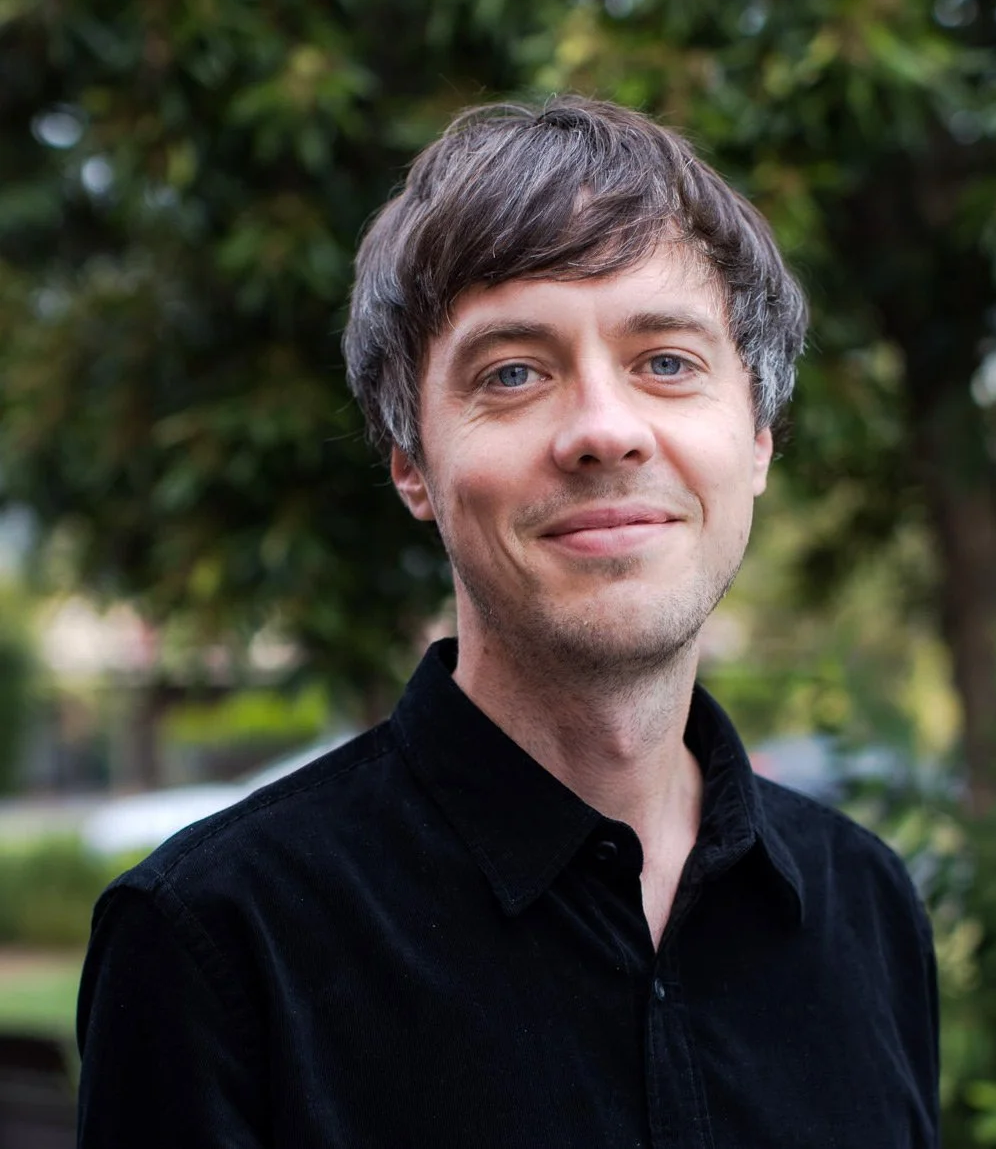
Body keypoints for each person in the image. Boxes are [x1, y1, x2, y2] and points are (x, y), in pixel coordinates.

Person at [76, 97, 939, 1148]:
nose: (605, 431)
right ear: (412, 465)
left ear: (756, 438)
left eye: (666, 361)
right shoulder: (215, 942)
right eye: (514, 373)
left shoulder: (869, 909)